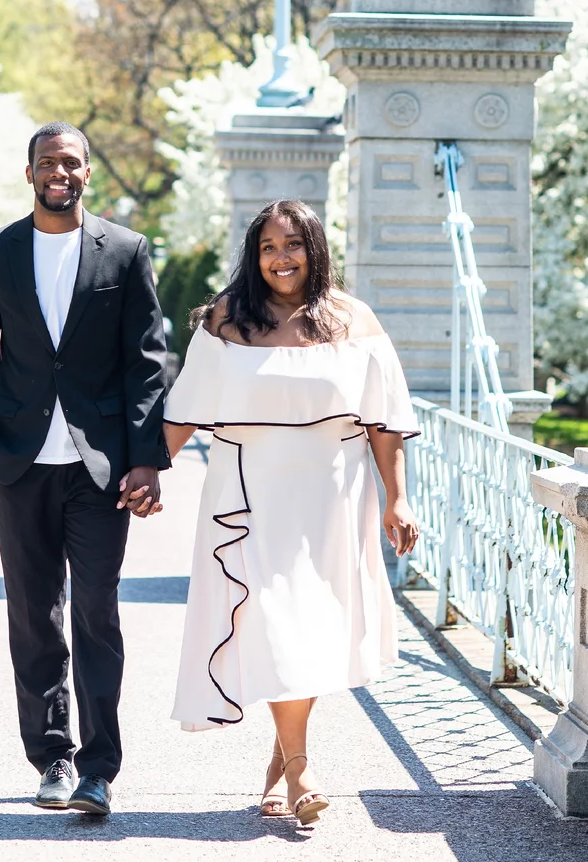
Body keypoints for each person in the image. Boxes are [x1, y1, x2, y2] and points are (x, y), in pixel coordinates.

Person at [164, 199, 419, 828]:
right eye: (269, 247)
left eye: (294, 245)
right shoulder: (226, 319)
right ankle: (302, 771)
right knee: (273, 615)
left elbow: (383, 419)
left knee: (307, 624)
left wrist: (398, 497)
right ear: (255, 256)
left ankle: (283, 758)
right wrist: (141, 476)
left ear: (315, 249)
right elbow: (184, 409)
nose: (282, 258)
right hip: (248, 491)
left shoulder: (354, 321)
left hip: (332, 494)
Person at [0, 122, 170, 817]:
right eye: (49, 162)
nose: (61, 172)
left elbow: (147, 364)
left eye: (72, 162)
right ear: (30, 173)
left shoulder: (126, 250)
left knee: (96, 612)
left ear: (86, 173)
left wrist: (146, 460)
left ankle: (98, 769)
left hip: (99, 468)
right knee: (33, 618)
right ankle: (52, 757)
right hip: (19, 463)